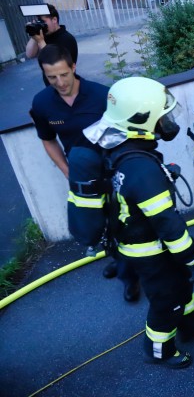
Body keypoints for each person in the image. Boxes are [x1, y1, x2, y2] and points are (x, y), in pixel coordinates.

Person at [83, 76, 194, 369]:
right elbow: (167, 223)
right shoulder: (141, 168)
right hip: (150, 250)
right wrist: (193, 259)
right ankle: (159, 350)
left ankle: (191, 320)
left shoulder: (123, 149)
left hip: (137, 242)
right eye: (162, 116)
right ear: (141, 120)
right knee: (166, 299)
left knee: (179, 284)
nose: (168, 121)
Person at [31, 44, 139, 301]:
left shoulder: (102, 96)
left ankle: (131, 275)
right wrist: (67, 171)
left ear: (73, 68)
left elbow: (125, 134)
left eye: (64, 75)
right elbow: (48, 140)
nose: (59, 82)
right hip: (81, 175)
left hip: (112, 172)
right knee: (98, 223)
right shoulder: (42, 103)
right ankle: (117, 258)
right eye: (52, 77)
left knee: (122, 222)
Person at [25, 3, 78, 87]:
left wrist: (41, 41)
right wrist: (34, 32)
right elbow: (29, 54)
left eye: (43, 22)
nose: (41, 25)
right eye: (38, 22)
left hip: (66, 86)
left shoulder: (66, 38)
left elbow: (54, 63)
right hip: (51, 86)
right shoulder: (44, 36)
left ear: (54, 20)